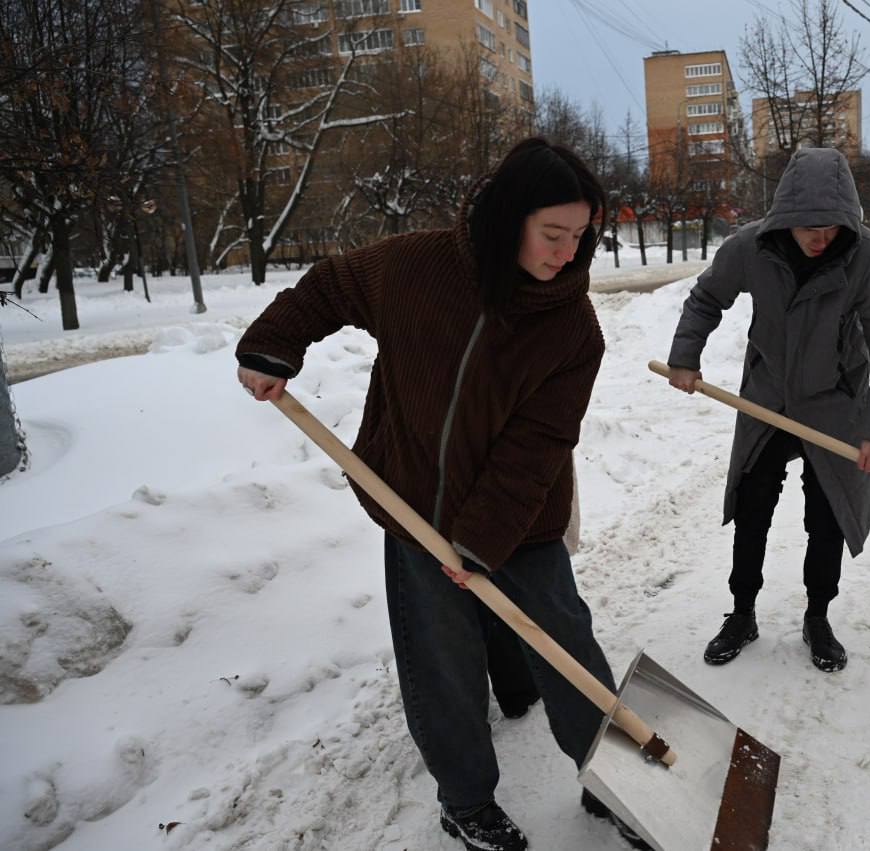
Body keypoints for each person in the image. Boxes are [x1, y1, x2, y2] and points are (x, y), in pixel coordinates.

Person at [235, 138, 646, 851]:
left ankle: (615, 776)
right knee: (441, 658)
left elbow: (538, 445)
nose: (566, 252)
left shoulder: (571, 326)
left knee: (566, 644)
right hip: (413, 503)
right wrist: (275, 343)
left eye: (579, 237)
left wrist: (481, 542)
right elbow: (332, 285)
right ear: (510, 218)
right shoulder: (415, 267)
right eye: (553, 234)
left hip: (522, 520)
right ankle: (466, 801)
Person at [664, 148, 870, 673]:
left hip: (835, 405)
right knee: (752, 510)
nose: (818, 236)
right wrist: (685, 357)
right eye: (807, 226)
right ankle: (742, 613)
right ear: (785, 218)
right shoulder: (752, 247)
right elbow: (706, 298)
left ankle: (818, 616)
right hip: (767, 398)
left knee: (827, 518)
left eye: (829, 225)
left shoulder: (866, 257)